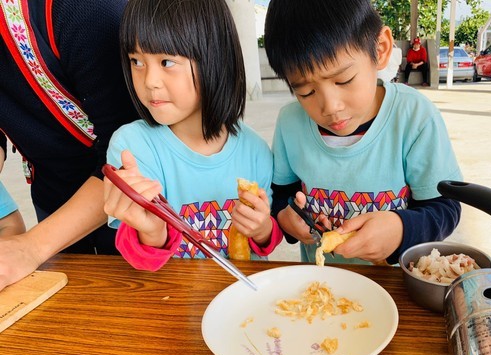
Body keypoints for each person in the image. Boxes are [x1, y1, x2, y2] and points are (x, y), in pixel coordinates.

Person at [263, 0, 462, 266]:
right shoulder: (291, 124)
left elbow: (445, 208)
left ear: (380, 49)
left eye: (343, 80)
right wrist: (286, 217)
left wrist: (400, 228)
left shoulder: (413, 116)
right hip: (319, 290)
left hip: (394, 286)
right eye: (306, 91)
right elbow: (280, 195)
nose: (330, 107)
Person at [103, 0, 282, 271]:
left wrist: (262, 228)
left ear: (215, 57)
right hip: (172, 303)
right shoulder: (132, 149)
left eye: (166, 61)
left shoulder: (255, 151)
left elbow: (267, 241)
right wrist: (153, 232)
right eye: (137, 61)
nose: (149, 80)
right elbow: (139, 258)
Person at [0, 0, 138, 290]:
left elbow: (131, 154)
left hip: (132, 207)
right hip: (52, 196)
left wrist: (30, 248)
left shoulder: (84, 8)